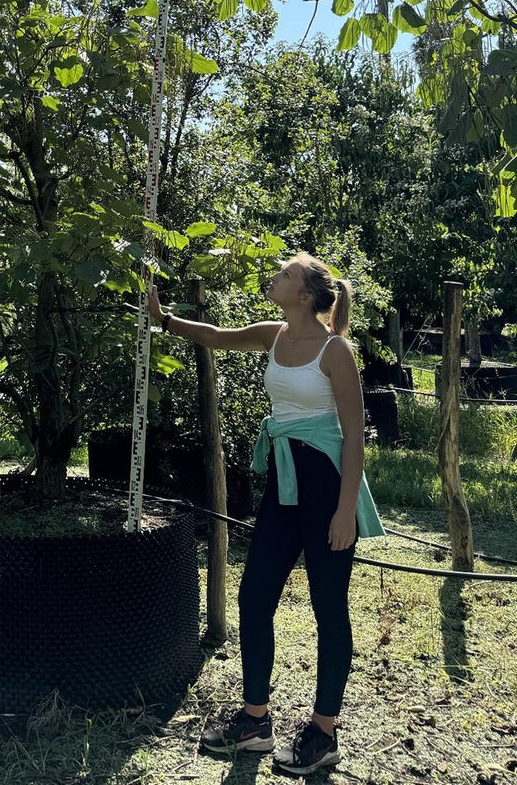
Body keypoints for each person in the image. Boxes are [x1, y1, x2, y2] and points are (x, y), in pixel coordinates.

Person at [148, 253, 384, 776]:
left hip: (325, 485)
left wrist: (345, 512)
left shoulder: (335, 350)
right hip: (283, 482)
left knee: (329, 608)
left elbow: (353, 439)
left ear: (305, 295)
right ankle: (255, 722)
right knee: (254, 596)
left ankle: (323, 732)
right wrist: (163, 320)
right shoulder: (273, 334)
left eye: (285, 274)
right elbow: (213, 335)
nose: (274, 278)